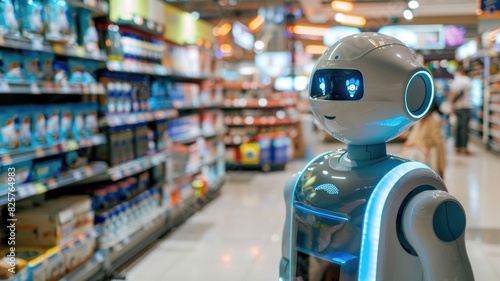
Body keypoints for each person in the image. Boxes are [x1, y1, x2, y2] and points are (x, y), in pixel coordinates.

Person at [402, 98, 446, 178]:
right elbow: (414, 138)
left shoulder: (433, 122)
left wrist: (441, 169)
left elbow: (439, 146)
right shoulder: (419, 121)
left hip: (425, 158)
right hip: (416, 157)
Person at [449, 64, 473, 155]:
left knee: (458, 128)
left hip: (458, 107)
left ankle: (457, 147)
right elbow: (455, 94)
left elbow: (453, 94)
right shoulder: (466, 80)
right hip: (465, 107)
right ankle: (463, 148)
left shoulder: (456, 80)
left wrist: (452, 106)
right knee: (464, 129)